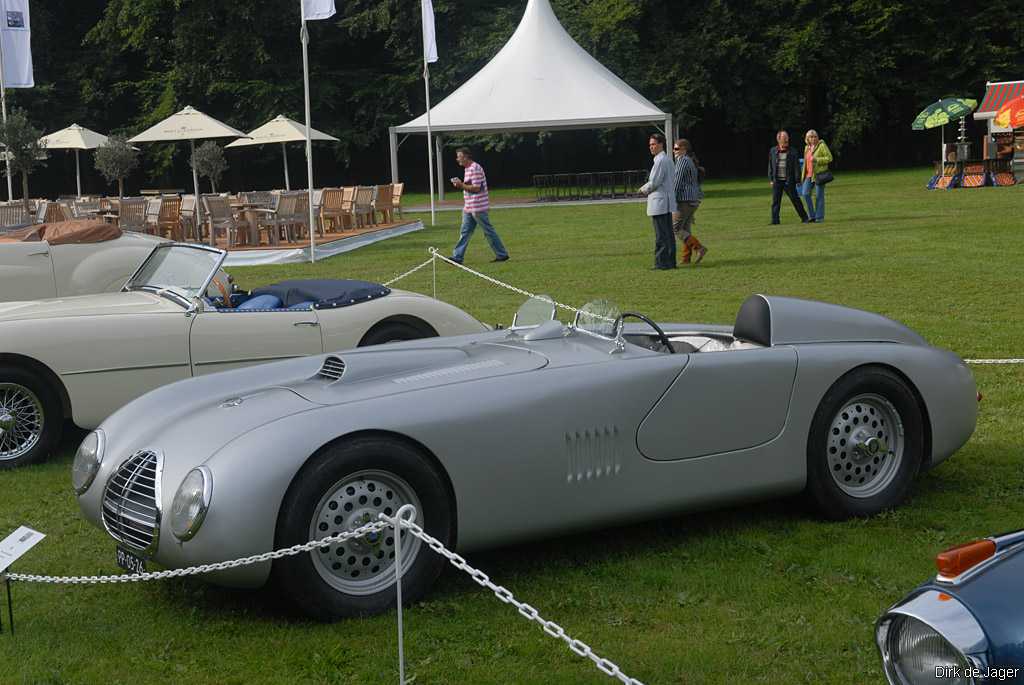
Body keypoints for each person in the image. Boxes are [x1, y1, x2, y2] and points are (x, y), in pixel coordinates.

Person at [449, 147, 509, 264]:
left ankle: (502, 254)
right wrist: (461, 185)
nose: (457, 159)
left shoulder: (475, 168)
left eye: (459, 157)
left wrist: (461, 185)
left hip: (478, 207)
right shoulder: (468, 169)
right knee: (465, 232)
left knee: (488, 231)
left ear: (466, 157)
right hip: (469, 207)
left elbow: (476, 189)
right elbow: (470, 186)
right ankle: (457, 257)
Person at [639, 133, 677, 270]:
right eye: (650, 145)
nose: (651, 147)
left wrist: (642, 190)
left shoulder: (660, 160)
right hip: (665, 201)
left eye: (653, 144)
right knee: (668, 234)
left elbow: (654, 182)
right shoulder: (666, 159)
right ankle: (670, 262)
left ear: (661, 144)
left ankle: (662, 263)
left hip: (660, 202)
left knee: (661, 235)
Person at [671, 138, 707, 264]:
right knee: (685, 228)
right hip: (693, 199)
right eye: (674, 148)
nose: (674, 151)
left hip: (685, 200)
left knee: (675, 228)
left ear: (684, 150)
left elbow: (677, 183)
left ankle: (699, 248)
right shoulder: (690, 160)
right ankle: (686, 258)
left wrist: (672, 200)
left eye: (676, 149)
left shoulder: (682, 161)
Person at [768, 130, 810, 225]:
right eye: (784, 138)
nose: (787, 140)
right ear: (779, 140)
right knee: (775, 202)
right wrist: (771, 179)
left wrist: (798, 179)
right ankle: (775, 220)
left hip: (789, 181)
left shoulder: (793, 151)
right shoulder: (773, 151)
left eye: (787, 138)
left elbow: (796, 167)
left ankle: (805, 218)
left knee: (795, 200)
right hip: (777, 181)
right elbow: (770, 166)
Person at [800, 129, 833, 223]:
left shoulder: (822, 145)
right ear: (807, 139)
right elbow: (805, 164)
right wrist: (803, 176)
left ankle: (819, 217)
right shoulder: (806, 148)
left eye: (815, 136)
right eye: (811, 137)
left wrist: (817, 159)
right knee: (805, 193)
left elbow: (830, 158)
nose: (813, 138)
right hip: (808, 175)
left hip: (819, 175)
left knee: (819, 196)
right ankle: (812, 216)